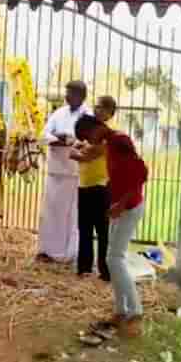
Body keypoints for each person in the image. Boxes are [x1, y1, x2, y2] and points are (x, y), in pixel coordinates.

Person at [75, 114, 149, 338]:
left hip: (129, 207)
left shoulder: (120, 140)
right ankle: (120, 311)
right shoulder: (110, 143)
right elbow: (119, 174)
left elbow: (141, 173)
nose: (90, 141)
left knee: (115, 258)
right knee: (112, 258)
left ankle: (135, 313)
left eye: (88, 136)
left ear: (96, 128)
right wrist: (113, 197)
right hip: (119, 206)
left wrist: (122, 202)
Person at [37, 81, 91, 263]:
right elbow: (43, 135)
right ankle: (46, 250)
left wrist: (64, 139)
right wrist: (58, 138)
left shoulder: (88, 115)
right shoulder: (59, 112)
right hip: (54, 170)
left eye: (71, 93)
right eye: (66, 93)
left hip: (73, 172)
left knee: (69, 216)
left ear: (82, 96)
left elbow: (83, 142)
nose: (66, 97)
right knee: (50, 212)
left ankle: (64, 255)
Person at [70, 96, 117, 281]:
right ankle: (84, 268)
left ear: (110, 113)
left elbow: (86, 155)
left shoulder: (109, 135)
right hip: (85, 184)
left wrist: (78, 151)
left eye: (102, 108)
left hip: (101, 187)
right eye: (96, 107)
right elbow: (77, 148)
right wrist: (79, 149)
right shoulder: (90, 130)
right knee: (85, 228)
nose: (98, 110)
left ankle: (105, 271)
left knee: (103, 230)